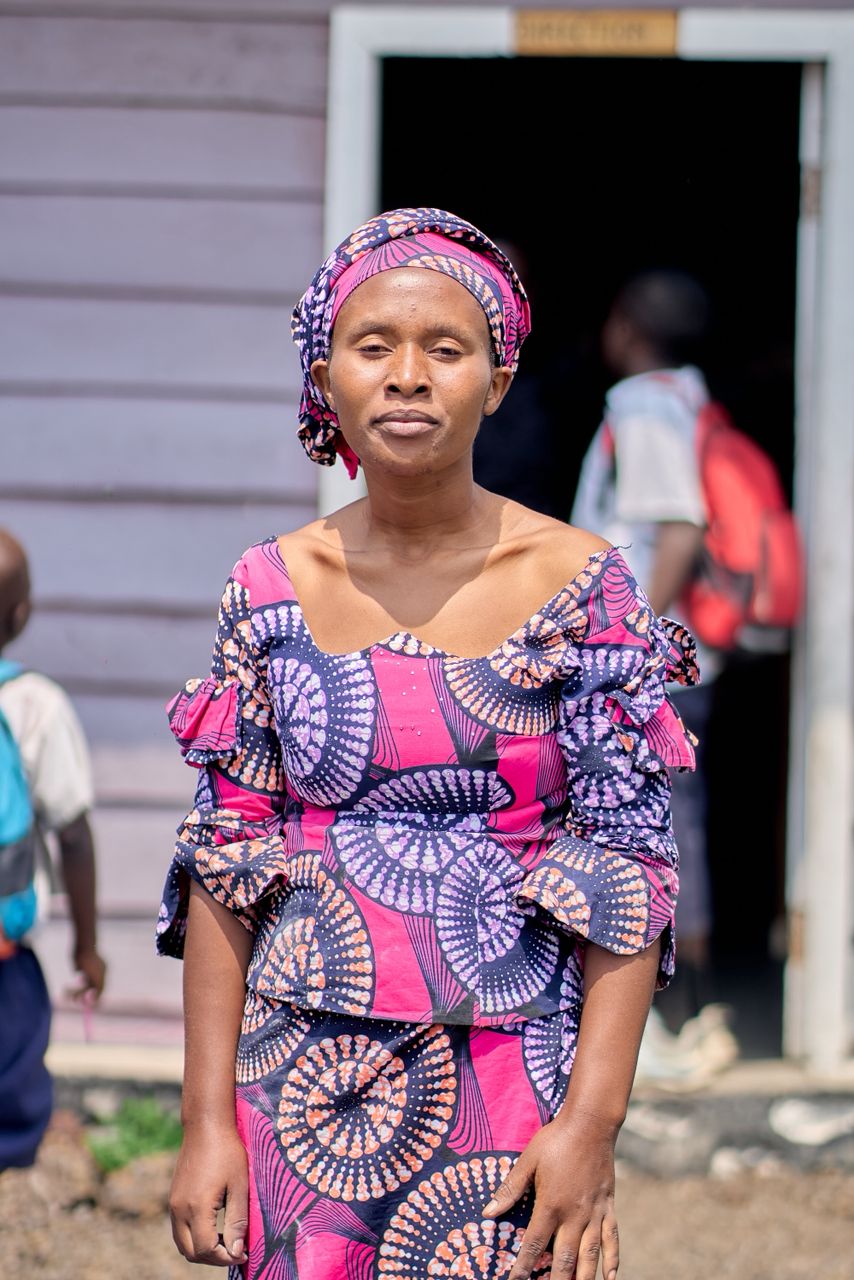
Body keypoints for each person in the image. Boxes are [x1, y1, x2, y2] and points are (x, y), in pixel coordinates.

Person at [158, 209, 698, 1278]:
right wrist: (206, 1120)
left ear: (497, 380)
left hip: (513, 1074)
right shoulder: (267, 588)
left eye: (445, 348)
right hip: (300, 1077)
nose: (408, 376)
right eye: (375, 346)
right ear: (327, 378)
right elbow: (226, 863)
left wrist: (590, 1128)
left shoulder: (582, 588)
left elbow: (628, 868)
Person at [571, 271, 738, 1079]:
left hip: (645, 663)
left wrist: (638, 648)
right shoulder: (686, 399)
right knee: (673, 824)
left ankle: (676, 1019)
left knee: (651, 831)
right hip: (665, 657)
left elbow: (677, 529)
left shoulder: (642, 404)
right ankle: (687, 1011)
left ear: (627, 328)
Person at [0, 528, 106, 1171]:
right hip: (5, 960)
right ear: (20, 614)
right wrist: (86, 947)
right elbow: (72, 833)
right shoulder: (33, 704)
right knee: (12, 1111)